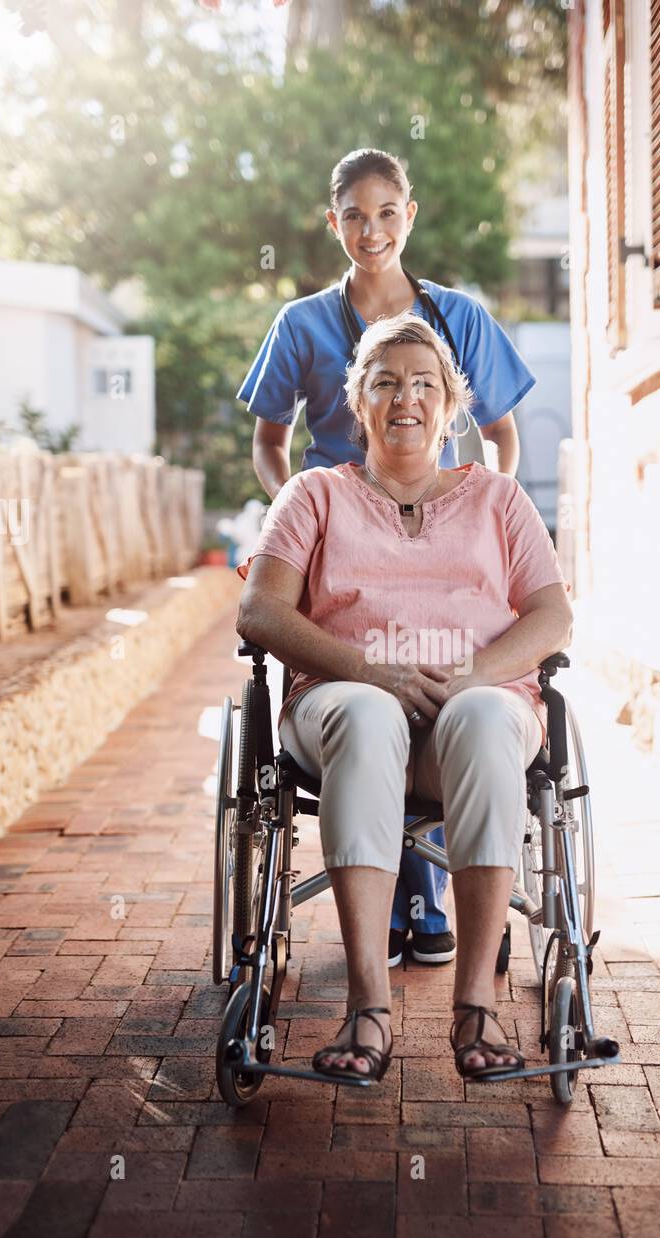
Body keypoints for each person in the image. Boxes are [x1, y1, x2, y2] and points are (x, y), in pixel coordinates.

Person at [235, 313, 572, 1080]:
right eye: (384, 383)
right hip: (343, 707)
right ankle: (368, 1010)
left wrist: (477, 674)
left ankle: (475, 1006)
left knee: (484, 716)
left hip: (473, 709)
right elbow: (260, 612)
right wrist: (367, 671)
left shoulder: (499, 500)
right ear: (358, 404)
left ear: (451, 408)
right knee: (367, 712)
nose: (405, 398)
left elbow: (552, 615)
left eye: (424, 384)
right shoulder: (313, 494)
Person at [236, 147, 536, 970]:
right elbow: (269, 443)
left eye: (387, 213)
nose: (371, 231)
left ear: (410, 216)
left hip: (442, 528)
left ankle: (431, 901)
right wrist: (301, 523)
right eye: (354, 216)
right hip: (338, 541)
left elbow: (501, 436)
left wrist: (481, 521)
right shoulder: (300, 324)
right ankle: (404, 910)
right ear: (332, 222)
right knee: (372, 685)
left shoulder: (458, 317)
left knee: (444, 670)